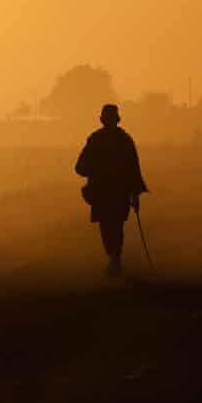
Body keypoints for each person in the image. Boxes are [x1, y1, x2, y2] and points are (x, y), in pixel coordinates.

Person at [75, 104, 148, 276]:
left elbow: (80, 168)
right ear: (117, 120)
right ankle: (115, 259)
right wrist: (135, 195)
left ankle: (114, 259)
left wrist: (96, 171)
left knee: (107, 227)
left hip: (102, 193)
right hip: (118, 193)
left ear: (102, 120)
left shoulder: (95, 140)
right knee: (116, 226)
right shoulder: (125, 141)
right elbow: (134, 170)